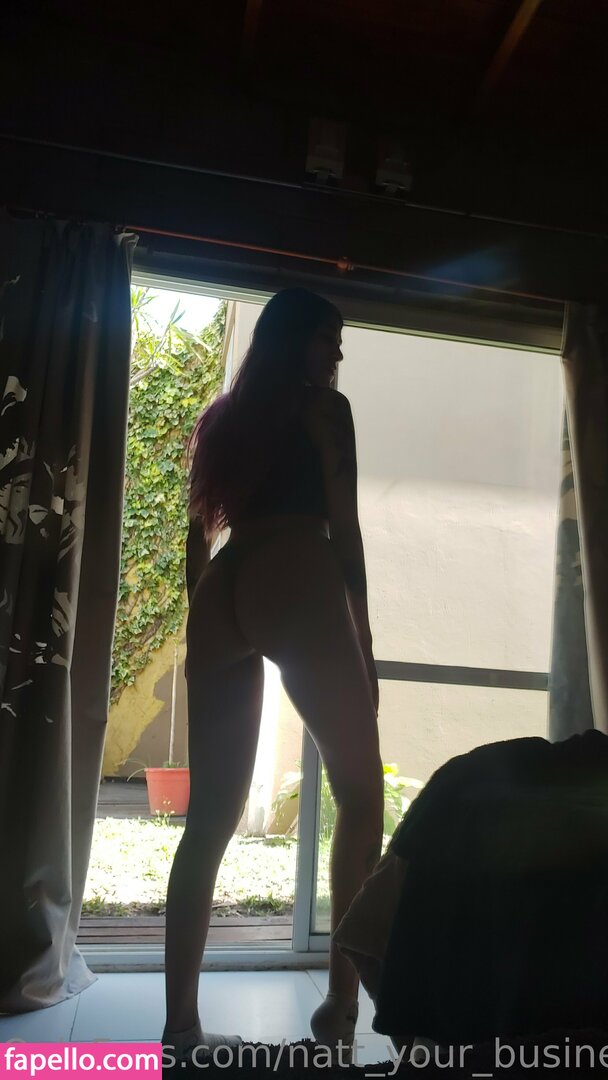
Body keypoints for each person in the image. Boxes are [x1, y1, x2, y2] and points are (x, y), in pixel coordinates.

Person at [161, 288, 384, 1062]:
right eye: (329, 338)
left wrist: (211, 615)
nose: (338, 354)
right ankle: (338, 1007)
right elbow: (345, 532)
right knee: (362, 797)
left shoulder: (223, 416)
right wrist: (365, 643)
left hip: (224, 588)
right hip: (297, 571)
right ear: (295, 340)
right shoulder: (327, 410)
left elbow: (198, 538)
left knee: (207, 823)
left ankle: (180, 1034)